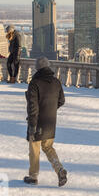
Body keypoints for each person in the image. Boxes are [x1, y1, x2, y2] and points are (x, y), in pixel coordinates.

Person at [24, 57, 67, 187]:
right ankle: (59, 169)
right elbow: (61, 101)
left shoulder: (35, 83)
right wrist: (51, 110)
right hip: (50, 122)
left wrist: (32, 125)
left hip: (37, 123)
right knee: (48, 147)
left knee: (34, 150)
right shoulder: (56, 82)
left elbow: (33, 107)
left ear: (37, 68)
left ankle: (33, 176)